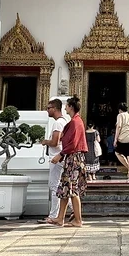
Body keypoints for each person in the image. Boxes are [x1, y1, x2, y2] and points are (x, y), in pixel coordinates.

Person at [50, 95, 88, 227]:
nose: (65, 108)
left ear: (71, 107)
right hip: (73, 157)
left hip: (74, 158)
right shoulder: (75, 121)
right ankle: (60, 218)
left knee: (72, 189)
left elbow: (73, 144)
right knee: (65, 188)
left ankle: (78, 220)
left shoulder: (75, 122)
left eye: (66, 105)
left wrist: (60, 154)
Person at [38, 98, 68, 225]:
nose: (47, 110)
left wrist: (45, 141)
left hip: (56, 158)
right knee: (58, 186)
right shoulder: (64, 121)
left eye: (49, 108)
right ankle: (72, 210)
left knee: (54, 186)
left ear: (55, 109)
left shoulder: (58, 123)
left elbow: (55, 142)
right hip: (60, 157)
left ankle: (53, 215)